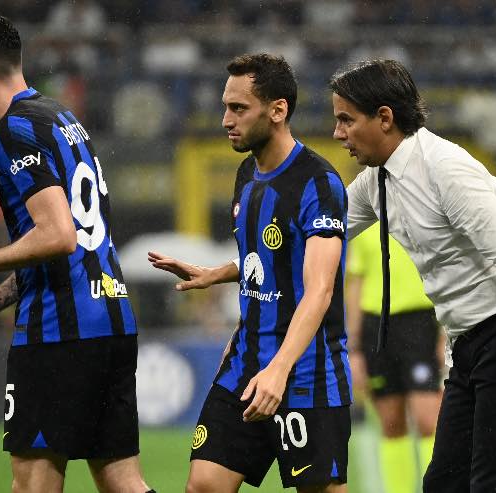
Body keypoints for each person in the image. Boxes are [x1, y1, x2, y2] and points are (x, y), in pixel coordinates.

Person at [330, 59, 496, 492]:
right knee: (443, 484)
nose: (338, 133)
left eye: (346, 119)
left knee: (494, 483)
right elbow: (318, 237)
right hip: (470, 341)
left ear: (384, 118)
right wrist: (235, 270)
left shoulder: (447, 169)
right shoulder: (374, 183)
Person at [0, 14, 154, 493]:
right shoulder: (63, 119)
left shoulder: (14, 130)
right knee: (124, 481)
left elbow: (58, 235)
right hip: (113, 319)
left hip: (59, 332)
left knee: (32, 484)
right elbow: (71, 243)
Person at [149, 53, 351, 492]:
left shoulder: (318, 183)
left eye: (238, 108)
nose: (225, 119)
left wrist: (279, 369)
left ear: (277, 110)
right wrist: (217, 273)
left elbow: (319, 289)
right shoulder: (246, 173)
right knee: (203, 484)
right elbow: (271, 261)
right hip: (245, 362)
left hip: (305, 373)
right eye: (225, 106)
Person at [345, 224, 441, 493]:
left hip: (420, 322)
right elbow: (355, 282)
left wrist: (446, 331)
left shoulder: (422, 216)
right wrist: (354, 349)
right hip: (376, 328)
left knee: (427, 419)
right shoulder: (364, 221)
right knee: (391, 421)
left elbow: (444, 272)